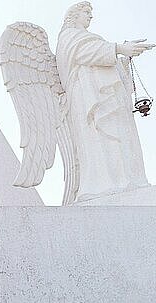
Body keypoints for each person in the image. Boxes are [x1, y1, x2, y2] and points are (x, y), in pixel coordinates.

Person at [56, 1, 155, 201]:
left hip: (105, 97)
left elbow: (102, 58)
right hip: (87, 100)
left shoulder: (85, 38)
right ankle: (101, 186)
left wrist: (123, 58)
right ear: (74, 16)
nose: (90, 17)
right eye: (86, 12)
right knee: (99, 142)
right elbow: (85, 53)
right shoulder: (68, 37)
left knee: (120, 138)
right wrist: (119, 48)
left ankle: (127, 182)